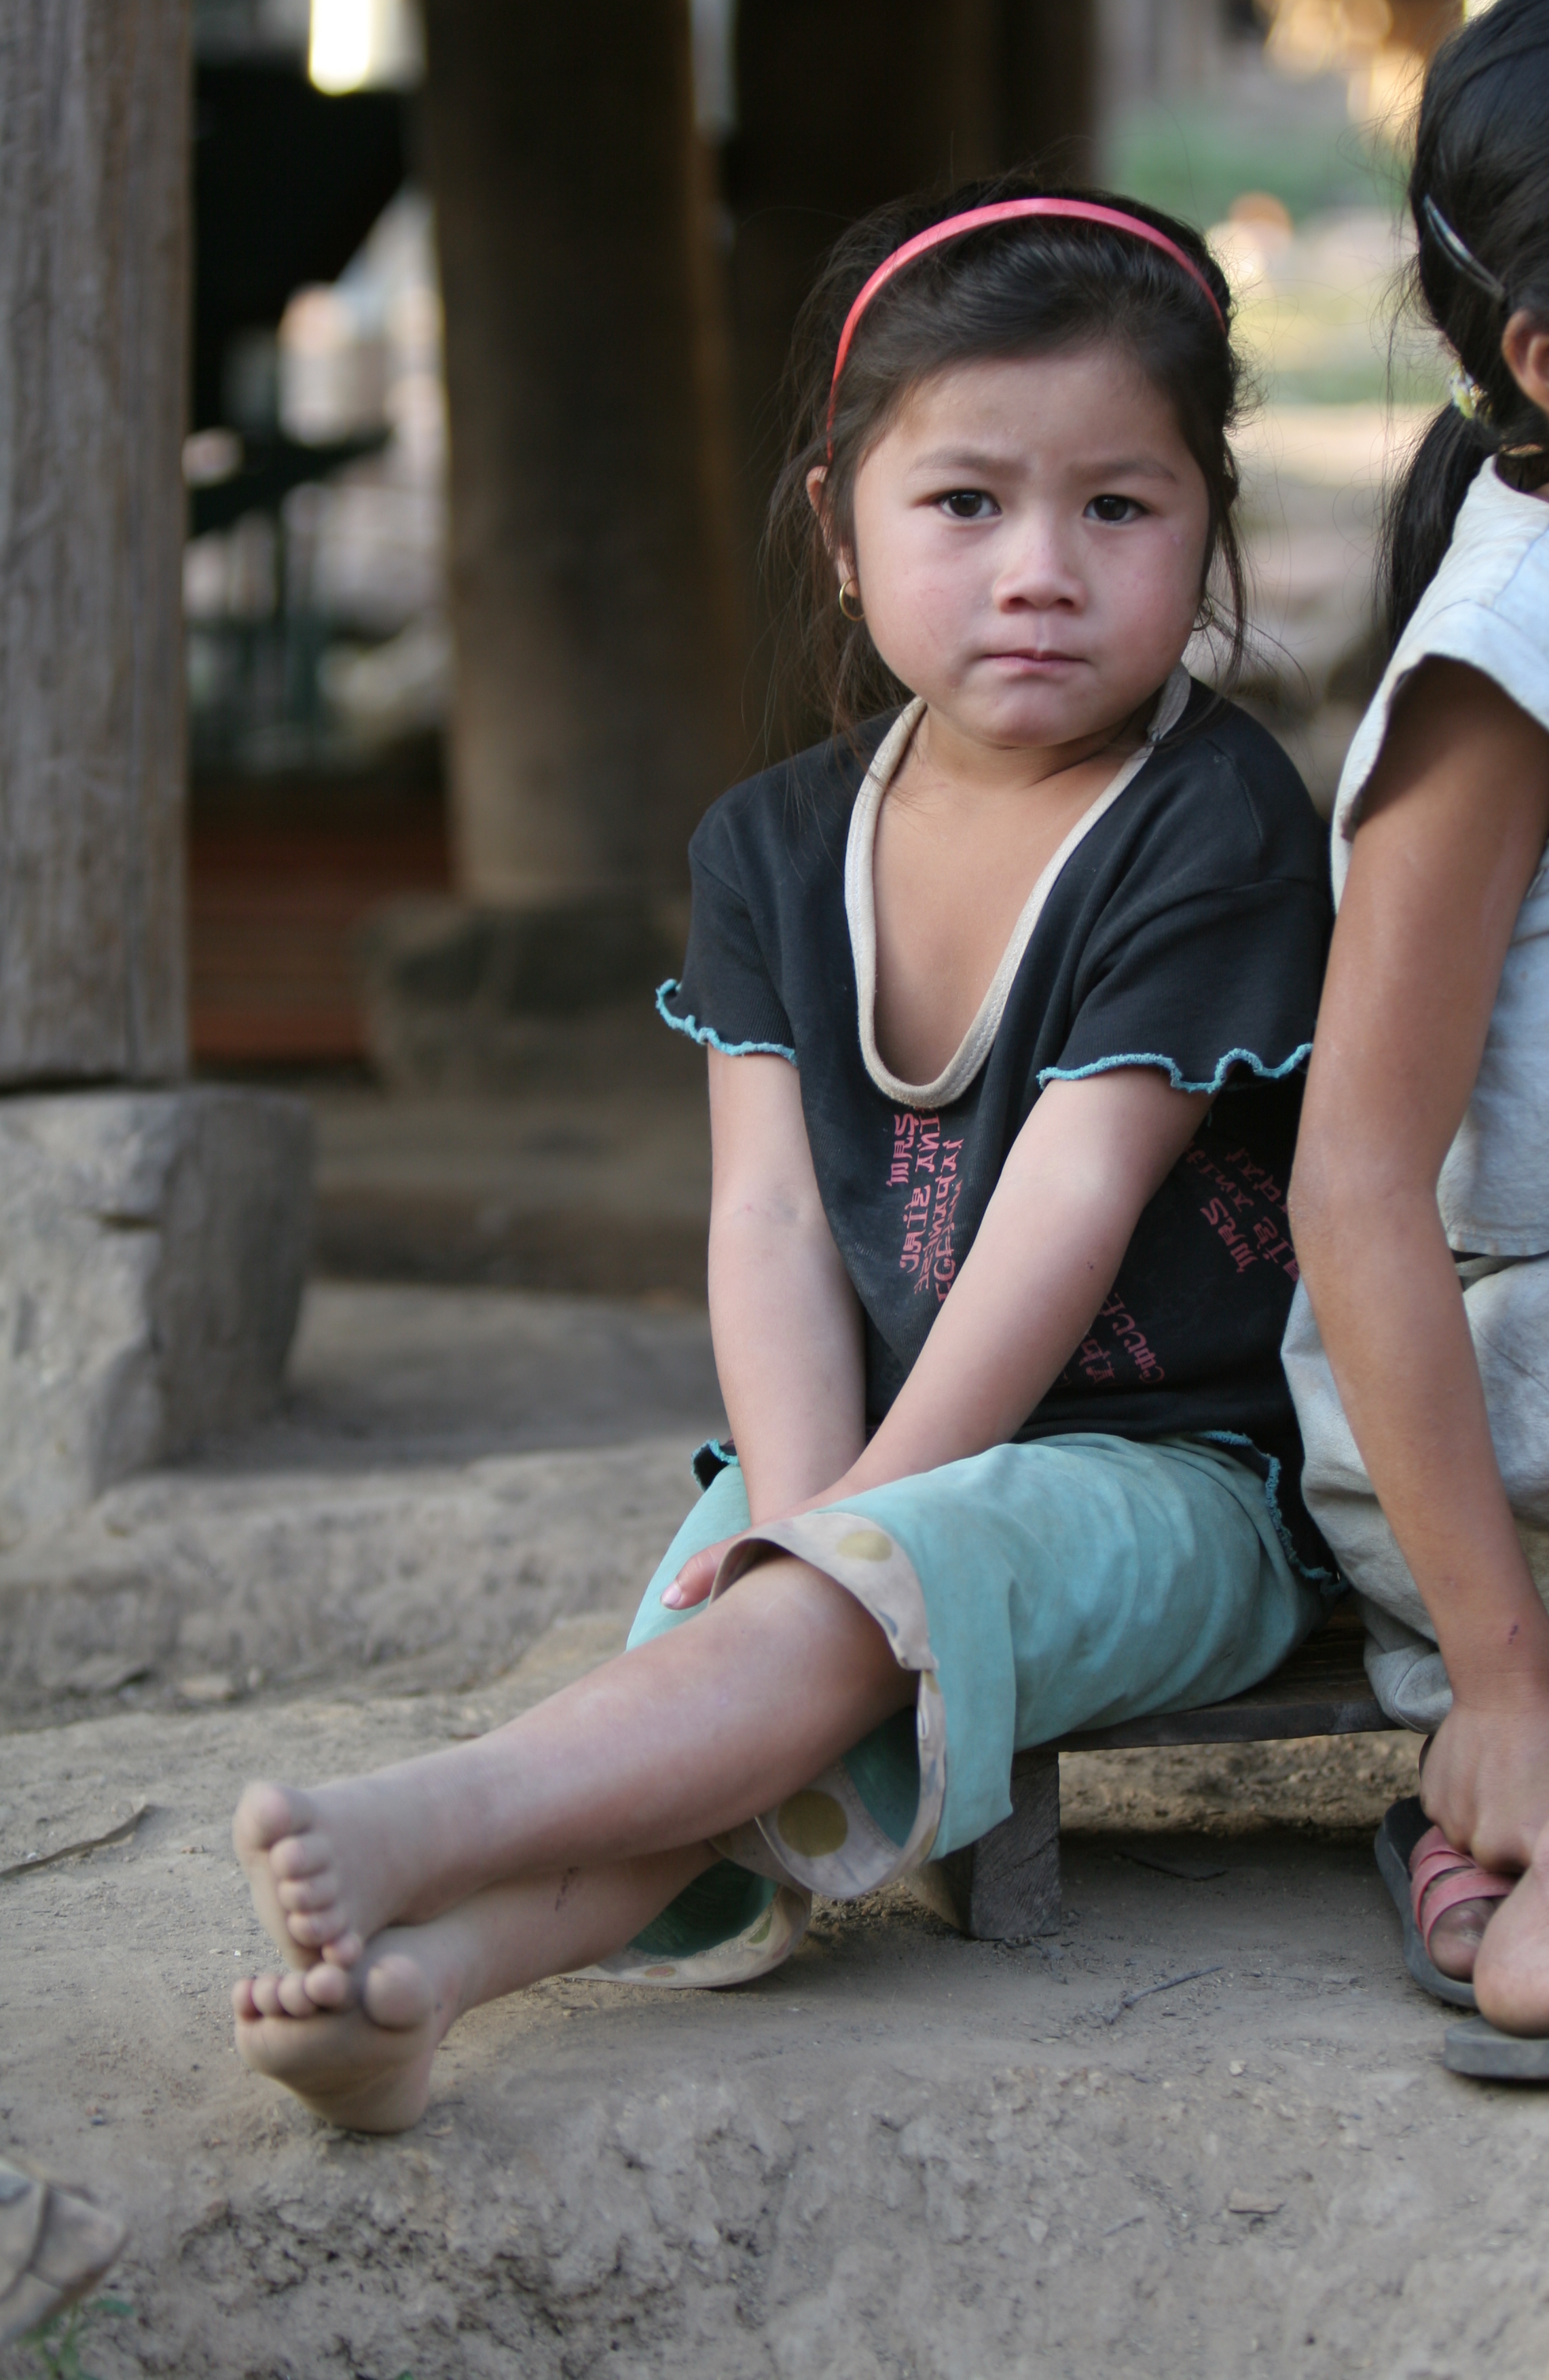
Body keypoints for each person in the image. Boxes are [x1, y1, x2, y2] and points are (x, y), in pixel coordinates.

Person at [230, 177, 1336, 2134]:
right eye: (965, 501)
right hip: (869, 1451)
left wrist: (836, 1550)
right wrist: (806, 1515)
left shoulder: (1211, 821)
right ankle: (424, 1992)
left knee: (792, 1622)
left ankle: (431, 1821)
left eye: (1120, 506)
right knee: (729, 1647)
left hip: (1179, 1481)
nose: (1041, 570)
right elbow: (762, 1213)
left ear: (1206, 526)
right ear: (838, 533)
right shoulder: (766, 847)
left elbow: (1071, 1207)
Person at [1283, 0, 1549, 2062]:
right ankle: (1543, 1808)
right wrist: (1509, 1683)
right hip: (1501, 1422)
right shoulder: (1506, 666)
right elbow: (1354, 1180)